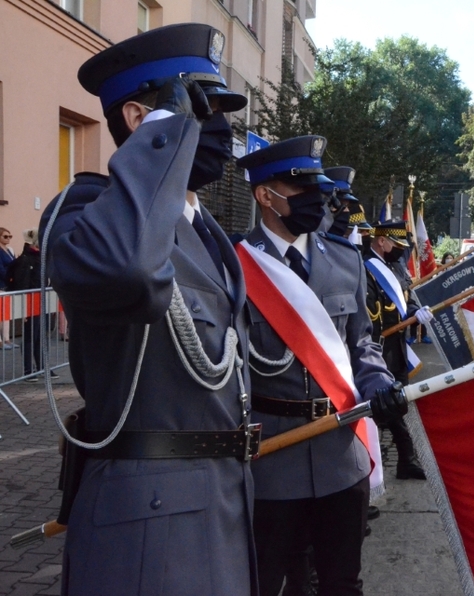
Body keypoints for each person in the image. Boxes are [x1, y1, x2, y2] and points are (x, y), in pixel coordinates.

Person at [39, 24, 259, 595]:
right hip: (148, 523)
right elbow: (127, 268)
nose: (221, 128)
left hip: (223, 501)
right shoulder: (84, 214)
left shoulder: (208, 232)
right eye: (201, 107)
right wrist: (165, 134)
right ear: (140, 119)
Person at [236, 137, 406, 596]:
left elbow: (361, 344)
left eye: (317, 186)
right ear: (264, 196)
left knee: (341, 584)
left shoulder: (345, 260)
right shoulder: (235, 266)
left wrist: (378, 380)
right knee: (266, 582)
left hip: (338, 452)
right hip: (272, 455)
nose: (315, 199)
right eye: (299, 188)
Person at [365, 221, 432, 480]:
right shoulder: (366, 268)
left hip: (397, 349)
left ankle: (402, 458)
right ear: (382, 241)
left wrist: (417, 312)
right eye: (396, 244)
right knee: (387, 402)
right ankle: (404, 457)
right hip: (377, 348)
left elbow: (408, 297)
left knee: (398, 402)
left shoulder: (396, 267)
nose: (399, 250)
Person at [6, 229, 57, 380]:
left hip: (41, 303)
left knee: (40, 337)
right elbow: (23, 285)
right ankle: (29, 370)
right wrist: (24, 310)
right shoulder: (25, 261)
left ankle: (42, 367)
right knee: (30, 338)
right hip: (30, 305)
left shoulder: (40, 259)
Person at [0, 227, 16, 348]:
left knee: (6, 314)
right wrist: (9, 276)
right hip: (1, 283)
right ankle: (1, 341)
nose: (8, 239)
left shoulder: (9, 250)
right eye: (5, 236)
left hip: (8, 285)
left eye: (9, 236)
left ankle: (7, 339)